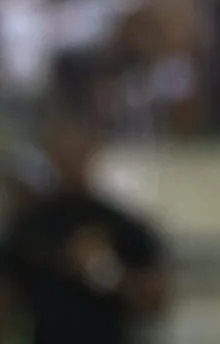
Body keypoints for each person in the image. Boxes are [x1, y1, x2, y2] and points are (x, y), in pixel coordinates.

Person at [0, 108, 169, 344]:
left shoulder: (122, 225)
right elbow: (6, 300)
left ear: (92, 149)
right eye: (62, 145)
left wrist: (106, 271)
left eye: (76, 145)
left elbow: (157, 303)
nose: (69, 155)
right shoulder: (29, 227)